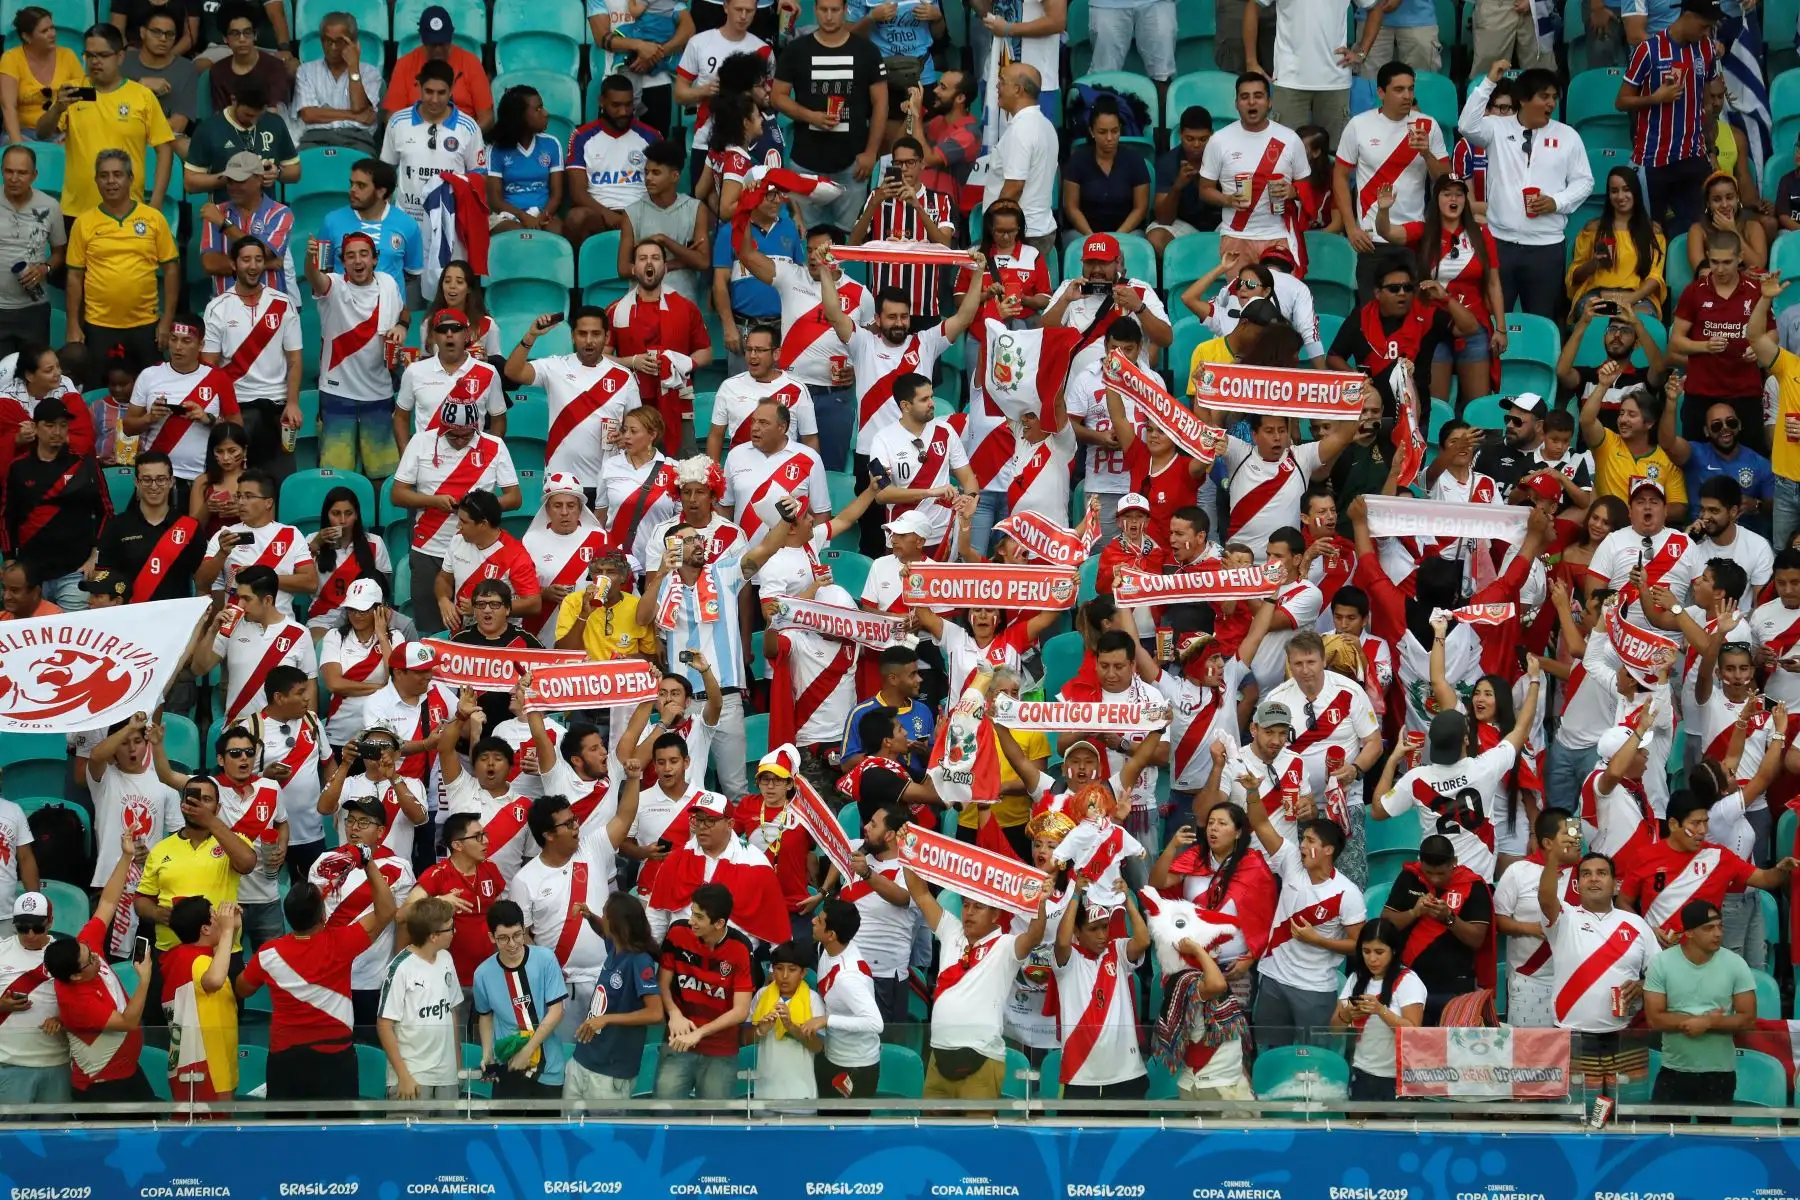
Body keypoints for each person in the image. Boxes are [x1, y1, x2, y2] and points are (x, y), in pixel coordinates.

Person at [238, 839, 398, 1099]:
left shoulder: (268, 954)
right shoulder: (341, 943)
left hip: (285, 1059)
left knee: (286, 1137)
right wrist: (367, 863)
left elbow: (242, 989)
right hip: (336, 1058)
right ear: (323, 915)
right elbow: (387, 910)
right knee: (337, 1136)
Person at [1456, 61, 1593, 320]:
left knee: (1542, 320)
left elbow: (1584, 181)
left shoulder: (1568, 136)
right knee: (1495, 320)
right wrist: (1489, 83)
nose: (1551, 103)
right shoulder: (1497, 127)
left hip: (1546, 246)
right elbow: (1466, 126)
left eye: (1554, 97)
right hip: (1500, 243)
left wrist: (1556, 201)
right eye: (1544, 96)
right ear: (1523, 99)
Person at [733, 224, 872, 469]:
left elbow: (872, 351)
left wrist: (857, 370)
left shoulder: (861, 294)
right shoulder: (790, 275)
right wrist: (745, 210)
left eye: (820, 250)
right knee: (780, 466)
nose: (813, 257)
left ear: (838, 252)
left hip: (835, 398)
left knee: (829, 470)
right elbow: (746, 254)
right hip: (791, 394)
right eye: (809, 250)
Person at [905, 863, 1048, 1101]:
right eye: (966, 905)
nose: (969, 912)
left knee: (977, 1136)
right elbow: (920, 893)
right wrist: (907, 851)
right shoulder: (951, 931)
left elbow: (1035, 935)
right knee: (932, 1135)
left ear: (996, 914)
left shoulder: (1005, 946)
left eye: (978, 907)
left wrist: (1040, 902)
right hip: (938, 1057)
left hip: (983, 1060)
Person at [1536, 826, 1658, 1096]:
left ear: (1615, 884)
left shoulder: (1636, 924)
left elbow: (1660, 975)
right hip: (1572, 1036)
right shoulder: (1565, 918)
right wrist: (1554, 858)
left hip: (1623, 1036)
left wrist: (1642, 984)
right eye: (1587, 874)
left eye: (1601, 873)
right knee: (1575, 1117)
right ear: (1577, 884)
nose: (1594, 879)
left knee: (1624, 1115)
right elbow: (1545, 899)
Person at [44, 835, 155, 1102]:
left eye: (91, 952)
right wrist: (144, 980)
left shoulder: (84, 948)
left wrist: (126, 856)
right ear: (74, 975)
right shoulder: (76, 1001)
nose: (96, 956)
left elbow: (107, 903)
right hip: (103, 1087)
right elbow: (128, 1022)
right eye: (90, 960)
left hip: (129, 1072)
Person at [37, 24, 173, 220]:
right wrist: (57, 108)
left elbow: (165, 148)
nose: (95, 61)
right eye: (89, 55)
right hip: (76, 211)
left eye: (103, 55)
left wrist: (156, 202)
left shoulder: (141, 96)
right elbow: (42, 133)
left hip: (127, 211)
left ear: (120, 57)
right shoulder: (73, 91)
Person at [772, 0, 886, 231]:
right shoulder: (797, 49)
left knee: (851, 239)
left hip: (853, 165)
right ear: (815, 11)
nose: (829, 16)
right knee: (805, 238)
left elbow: (881, 102)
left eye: (835, 10)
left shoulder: (867, 51)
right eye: (823, 10)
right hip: (805, 163)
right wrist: (810, 116)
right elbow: (777, 97)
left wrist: (871, 152)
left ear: (845, 10)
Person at [64, 149, 179, 375]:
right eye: (104, 175)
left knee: (150, 392)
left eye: (117, 174)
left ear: (130, 179)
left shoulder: (154, 219)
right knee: (96, 390)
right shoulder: (83, 223)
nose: (111, 181)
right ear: (96, 180)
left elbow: (172, 270)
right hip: (98, 326)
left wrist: (167, 321)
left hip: (146, 324)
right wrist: (73, 325)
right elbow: (74, 276)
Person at [1615, 0, 1721, 233]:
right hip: (1654, 159)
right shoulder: (1648, 50)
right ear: (1687, 15)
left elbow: (1706, 96)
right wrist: (1655, 98)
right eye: (1703, 27)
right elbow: (1621, 101)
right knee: (1652, 232)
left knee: (1698, 230)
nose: (1707, 33)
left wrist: (1710, 147)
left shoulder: (1706, 49)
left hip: (1692, 156)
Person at [1337, 64, 1450, 278]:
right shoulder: (1359, 125)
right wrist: (1351, 228)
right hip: (1371, 240)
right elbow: (1340, 177)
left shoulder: (1428, 125)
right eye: (1399, 90)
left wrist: (1426, 154)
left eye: (1410, 89)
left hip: (1414, 234)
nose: (1407, 96)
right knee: (1372, 307)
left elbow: (1446, 180)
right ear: (1381, 92)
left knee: (1413, 307)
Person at [1642, 897, 1757, 1108]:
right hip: (1674, 1070)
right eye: (1709, 928)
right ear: (1689, 933)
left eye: (1720, 927)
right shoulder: (1661, 963)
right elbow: (1654, 1018)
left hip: (1720, 1073)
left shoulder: (1736, 964)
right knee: (1665, 1138)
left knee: (1715, 1139)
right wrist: (1699, 1021)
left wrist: (1708, 1023)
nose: (1718, 933)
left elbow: (1748, 1019)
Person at [201, 235, 302, 474]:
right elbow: (209, 366)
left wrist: (293, 403)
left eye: (258, 259)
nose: (253, 266)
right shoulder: (217, 307)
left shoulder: (282, 303)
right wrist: (221, 411)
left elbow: (295, 360)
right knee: (234, 483)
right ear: (234, 264)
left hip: (277, 410)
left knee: (279, 485)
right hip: (236, 410)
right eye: (246, 259)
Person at [606, 243, 713, 454]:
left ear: (665, 267)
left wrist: (681, 364)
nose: (649, 262)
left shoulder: (685, 307)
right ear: (634, 268)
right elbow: (601, 358)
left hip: (677, 402)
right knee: (633, 469)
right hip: (632, 406)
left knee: (682, 470)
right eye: (642, 258)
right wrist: (632, 362)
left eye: (655, 257)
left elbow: (706, 352)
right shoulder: (616, 310)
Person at [654, 881, 755, 1099]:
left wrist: (699, 1033)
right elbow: (662, 982)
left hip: (720, 1051)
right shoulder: (678, 933)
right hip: (677, 1042)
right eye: (692, 913)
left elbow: (741, 1010)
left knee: (714, 1121)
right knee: (664, 1113)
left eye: (699, 917)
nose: (691, 921)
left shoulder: (740, 948)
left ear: (719, 923)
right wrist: (673, 1013)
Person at [1380, 835, 1495, 1024]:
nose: (1434, 879)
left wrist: (1448, 918)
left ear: (1454, 862)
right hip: (1409, 982)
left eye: (1441, 873)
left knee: (1452, 1049)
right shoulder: (1410, 877)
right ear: (1420, 863)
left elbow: (1476, 939)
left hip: (1454, 985)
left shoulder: (1474, 886)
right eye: (1428, 872)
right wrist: (1414, 912)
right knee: (1412, 1046)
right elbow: (1386, 924)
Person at [5, 398, 108, 610]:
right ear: (35, 427)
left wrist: (95, 556)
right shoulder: (18, 468)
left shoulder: (84, 464)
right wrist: (8, 559)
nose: (57, 431)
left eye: (62, 425)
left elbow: (106, 512)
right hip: (30, 577)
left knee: (71, 639)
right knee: (31, 641)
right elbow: (6, 517)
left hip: (74, 572)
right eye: (50, 425)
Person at [1669, 229, 1764, 453]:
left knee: (1753, 459)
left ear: (1740, 258)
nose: (1719, 269)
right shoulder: (1693, 292)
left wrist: (1757, 349)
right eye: (1714, 262)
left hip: (1745, 389)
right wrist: (1705, 346)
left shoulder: (1755, 291)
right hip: (1702, 389)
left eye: (1727, 262)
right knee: (1694, 459)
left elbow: (1771, 334)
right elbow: (1676, 342)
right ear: (1708, 257)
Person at [1198, 75, 1306, 264]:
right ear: (1236, 103)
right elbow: (1205, 189)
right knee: (1241, 294)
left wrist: (1294, 191)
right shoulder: (1219, 140)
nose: (1251, 102)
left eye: (1258, 96)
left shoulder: (1290, 139)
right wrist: (1227, 199)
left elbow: (1309, 186)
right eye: (1245, 97)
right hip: (1235, 236)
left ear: (1269, 102)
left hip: (1279, 236)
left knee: (1277, 294)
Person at [1244, 0, 1381, 143]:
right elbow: (1253, 5)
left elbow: (1375, 8)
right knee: (1285, 154)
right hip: (1289, 80)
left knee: (1334, 154)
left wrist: (1361, 54)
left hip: (1335, 81)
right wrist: (1251, 61)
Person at [850, 137, 955, 323]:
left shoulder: (941, 201)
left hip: (924, 307)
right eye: (898, 163)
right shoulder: (876, 197)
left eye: (910, 162)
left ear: (922, 164)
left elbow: (945, 245)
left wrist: (917, 206)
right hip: (884, 309)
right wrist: (875, 203)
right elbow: (853, 244)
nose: (904, 168)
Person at [473, 899, 568, 1100]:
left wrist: (528, 1050)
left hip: (547, 1067)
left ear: (524, 929)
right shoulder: (482, 973)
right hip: (507, 1065)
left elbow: (557, 1010)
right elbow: (486, 1016)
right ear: (492, 937)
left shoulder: (546, 959)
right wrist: (487, 1055)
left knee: (546, 1130)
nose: (513, 944)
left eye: (517, 935)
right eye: (503, 938)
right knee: (506, 1130)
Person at [380, 58, 486, 227]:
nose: (435, 99)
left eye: (441, 93)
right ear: (419, 88)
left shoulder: (468, 127)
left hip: (450, 223)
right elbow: (385, 171)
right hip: (407, 222)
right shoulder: (397, 122)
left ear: (451, 91)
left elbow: (479, 177)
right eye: (429, 91)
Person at [376, 896, 463, 1100]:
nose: (454, 932)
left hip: (447, 1077)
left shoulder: (446, 959)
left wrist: (457, 1066)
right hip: (413, 1078)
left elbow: (451, 1012)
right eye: (450, 928)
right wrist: (403, 1077)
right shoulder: (400, 968)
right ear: (433, 935)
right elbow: (384, 1025)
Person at [1331, 919, 1425, 1099]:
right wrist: (1346, 1014)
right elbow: (1333, 1030)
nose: (1372, 959)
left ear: (1394, 951)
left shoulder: (1409, 981)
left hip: (1398, 1077)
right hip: (1362, 1072)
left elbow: (1413, 1034)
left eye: (1379, 952)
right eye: (1366, 952)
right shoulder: (1355, 979)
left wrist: (1380, 1010)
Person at [565, 74, 660, 247]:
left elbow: (662, 185)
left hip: (641, 212)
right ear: (602, 101)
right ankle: (583, 271)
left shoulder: (651, 136)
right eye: (616, 105)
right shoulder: (581, 137)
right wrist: (606, 214)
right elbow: (577, 192)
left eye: (628, 104)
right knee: (576, 218)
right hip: (599, 213)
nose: (623, 112)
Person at [161, 898, 240, 1102]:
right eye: (216, 916)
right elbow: (214, 979)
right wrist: (228, 930)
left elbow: (219, 963)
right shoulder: (198, 961)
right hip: (204, 1066)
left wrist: (233, 927)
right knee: (214, 1131)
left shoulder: (182, 956)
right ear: (205, 929)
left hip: (192, 1062)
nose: (221, 920)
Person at [980, 64, 1060, 262]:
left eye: (1002, 82)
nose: (997, 87)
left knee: (1010, 293)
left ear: (1018, 89)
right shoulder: (1045, 125)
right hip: (1037, 229)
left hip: (1018, 235)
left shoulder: (1022, 129)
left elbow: (1014, 187)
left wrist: (993, 230)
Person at [1566, 167, 1669, 316]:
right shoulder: (1593, 229)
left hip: (1638, 297)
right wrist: (1594, 264)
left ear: (1636, 192)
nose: (1620, 196)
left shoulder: (1653, 231)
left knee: (1639, 318)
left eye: (1626, 189)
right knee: (1603, 314)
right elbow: (1574, 276)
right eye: (1614, 191)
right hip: (1598, 295)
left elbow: (1655, 277)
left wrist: (1629, 300)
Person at [315, 159, 425, 297]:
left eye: (361, 185)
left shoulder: (408, 225)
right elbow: (322, 270)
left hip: (390, 314)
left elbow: (412, 274)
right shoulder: (331, 222)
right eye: (352, 184)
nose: (352, 190)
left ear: (381, 191)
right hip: (344, 311)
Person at [0, 890, 69, 1103]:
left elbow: (83, 1001)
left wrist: (62, 1020)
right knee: (11, 1135)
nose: (30, 934)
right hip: (10, 1063)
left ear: (50, 922)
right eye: (22, 927)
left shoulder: (66, 956)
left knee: (55, 1134)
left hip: (55, 1062)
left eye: (37, 927)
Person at [620, 139, 707, 306]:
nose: (649, 178)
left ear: (675, 176)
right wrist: (678, 262)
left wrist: (664, 240)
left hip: (682, 300)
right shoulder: (632, 212)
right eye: (646, 172)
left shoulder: (695, 209)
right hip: (642, 302)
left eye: (656, 173)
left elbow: (702, 262)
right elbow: (624, 269)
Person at [382, 4, 493, 129]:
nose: (438, 50)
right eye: (433, 45)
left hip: (462, 135)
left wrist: (469, 138)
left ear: (451, 36)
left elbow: (487, 117)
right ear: (422, 38)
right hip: (415, 135)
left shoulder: (471, 62)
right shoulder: (405, 64)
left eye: (442, 44)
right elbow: (392, 117)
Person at [184, 80, 300, 198]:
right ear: (234, 100)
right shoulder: (209, 129)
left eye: (259, 115)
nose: (253, 121)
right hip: (224, 211)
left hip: (266, 213)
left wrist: (277, 173)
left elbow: (295, 172)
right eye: (248, 115)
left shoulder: (275, 122)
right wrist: (230, 178)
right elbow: (190, 183)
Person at [1062, 96, 1152, 242]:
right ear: (1092, 132)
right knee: (1073, 241)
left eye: (1114, 131)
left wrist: (1117, 237)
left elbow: (1140, 208)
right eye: (1102, 132)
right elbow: (1072, 208)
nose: (1109, 138)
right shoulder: (1078, 160)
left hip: (1126, 233)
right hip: (1085, 233)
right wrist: (1091, 236)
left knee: (1138, 241)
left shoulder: (1134, 159)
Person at [0, 147, 62, 357]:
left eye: (21, 172)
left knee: (33, 379)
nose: (14, 178)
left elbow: (59, 253)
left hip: (33, 310)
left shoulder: (50, 206)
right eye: (8, 171)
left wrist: (44, 268)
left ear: (34, 175)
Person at [293, 10, 379, 153]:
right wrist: (353, 116)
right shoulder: (306, 71)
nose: (332, 47)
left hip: (357, 138)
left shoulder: (370, 72)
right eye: (327, 40)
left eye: (339, 41)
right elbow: (309, 115)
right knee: (300, 168)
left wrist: (353, 67)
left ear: (353, 42)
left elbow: (359, 107)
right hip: (315, 138)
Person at [486, 85, 564, 237]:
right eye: (538, 109)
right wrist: (523, 216)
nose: (546, 113)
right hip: (508, 216)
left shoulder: (552, 144)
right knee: (518, 234)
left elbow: (557, 196)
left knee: (557, 232)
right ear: (520, 116)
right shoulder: (495, 149)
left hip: (544, 214)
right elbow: (495, 200)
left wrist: (542, 216)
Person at [119, 9, 198, 158]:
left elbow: (178, 125)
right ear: (142, 33)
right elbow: (107, 107)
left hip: (164, 138)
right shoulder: (122, 62)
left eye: (169, 34)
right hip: (120, 131)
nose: (163, 38)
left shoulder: (186, 69)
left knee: (187, 147)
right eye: (156, 32)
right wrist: (140, 86)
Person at [0, 7, 81, 145]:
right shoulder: (11, 58)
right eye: (45, 31)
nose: (53, 34)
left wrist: (70, 135)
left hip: (60, 133)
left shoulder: (68, 56)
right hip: (22, 132)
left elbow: (82, 101)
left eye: (52, 28)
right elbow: (8, 107)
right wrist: (18, 145)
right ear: (27, 36)